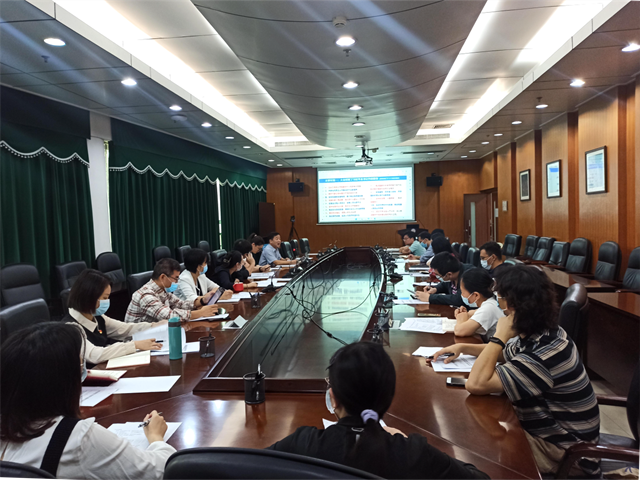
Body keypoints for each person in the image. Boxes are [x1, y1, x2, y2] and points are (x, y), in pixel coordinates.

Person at [430, 266, 600, 477]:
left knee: (473, 448)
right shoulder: (543, 332)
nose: (498, 304)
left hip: (565, 452)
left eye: (500, 297)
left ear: (513, 306)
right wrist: (463, 347)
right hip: (550, 433)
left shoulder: (544, 353)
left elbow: (476, 384)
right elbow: (504, 353)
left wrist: (499, 336)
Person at [268, 342, 490, 480]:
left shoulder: (303, 443)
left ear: (333, 397)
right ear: (388, 398)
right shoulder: (414, 453)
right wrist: (405, 441)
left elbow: (250, 466)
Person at [0, 322, 175, 480]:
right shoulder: (78, 438)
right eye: (80, 366)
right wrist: (156, 437)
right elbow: (161, 470)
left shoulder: (8, 430)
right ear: (65, 381)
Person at [63, 269, 162, 367]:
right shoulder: (71, 327)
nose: (107, 301)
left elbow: (125, 329)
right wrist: (134, 345)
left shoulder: (97, 317)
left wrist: (155, 326)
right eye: (105, 298)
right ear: (89, 297)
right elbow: (95, 355)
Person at [125, 258, 219, 323]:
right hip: (138, 340)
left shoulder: (162, 290)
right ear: (163, 277)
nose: (177, 282)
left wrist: (202, 300)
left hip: (157, 333)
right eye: (175, 278)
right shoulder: (146, 295)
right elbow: (170, 316)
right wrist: (200, 313)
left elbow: (180, 304)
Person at [452, 268, 502, 338]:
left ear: (476, 295)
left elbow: (459, 331)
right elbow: (474, 312)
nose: (462, 295)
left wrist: (461, 319)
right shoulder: (491, 301)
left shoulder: (489, 307)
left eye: (463, 292)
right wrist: (464, 314)